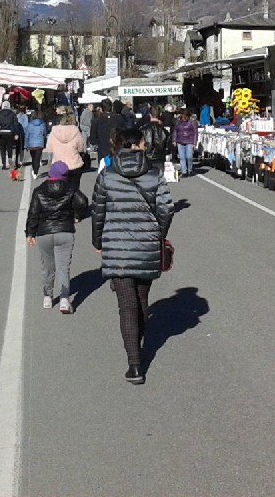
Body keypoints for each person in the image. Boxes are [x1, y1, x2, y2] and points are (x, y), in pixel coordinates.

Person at [92, 127, 173, 384]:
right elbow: (167, 209)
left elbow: (98, 210)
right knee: (141, 298)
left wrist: (97, 241)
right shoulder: (154, 172)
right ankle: (137, 343)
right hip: (147, 243)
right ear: (140, 144)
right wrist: (157, 233)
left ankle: (134, 364)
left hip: (116, 245)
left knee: (126, 305)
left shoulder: (107, 173)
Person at [26, 160, 91, 314]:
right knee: (63, 267)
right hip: (65, 231)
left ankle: (48, 297)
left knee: (47, 267)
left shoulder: (39, 190)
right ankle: (64, 299)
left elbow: (33, 213)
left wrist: (30, 233)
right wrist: (77, 216)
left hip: (44, 233)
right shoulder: (70, 188)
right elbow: (83, 202)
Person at [45, 111, 86, 191]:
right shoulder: (76, 131)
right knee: (75, 189)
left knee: (60, 190)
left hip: (58, 165)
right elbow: (81, 148)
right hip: (74, 164)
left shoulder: (54, 132)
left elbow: (49, 148)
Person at [0, 101, 19, 171]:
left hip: (2, 133)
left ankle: (4, 164)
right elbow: (16, 124)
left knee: (2, 149)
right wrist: (16, 133)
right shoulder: (13, 114)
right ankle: (10, 159)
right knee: (10, 148)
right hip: (10, 133)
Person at [173, 108, 199, 178]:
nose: (183, 119)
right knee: (182, 157)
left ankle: (190, 169)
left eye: (185, 117)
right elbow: (175, 131)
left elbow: (195, 133)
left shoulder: (193, 121)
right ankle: (184, 171)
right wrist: (174, 140)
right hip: (180, 141)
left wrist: (194, 143)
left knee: (189, 156)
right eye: (182, 117)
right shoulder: (178, 121)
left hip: (189, 141)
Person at [23, 109, 48, 178]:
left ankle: (34, 169)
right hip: (40, 143)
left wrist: (26, 145)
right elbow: (45, 133)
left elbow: (27, 135)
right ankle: (35, 172)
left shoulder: (30, 124)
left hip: (31, 144)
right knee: (37, 158)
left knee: (33, 158)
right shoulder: (43, 124)